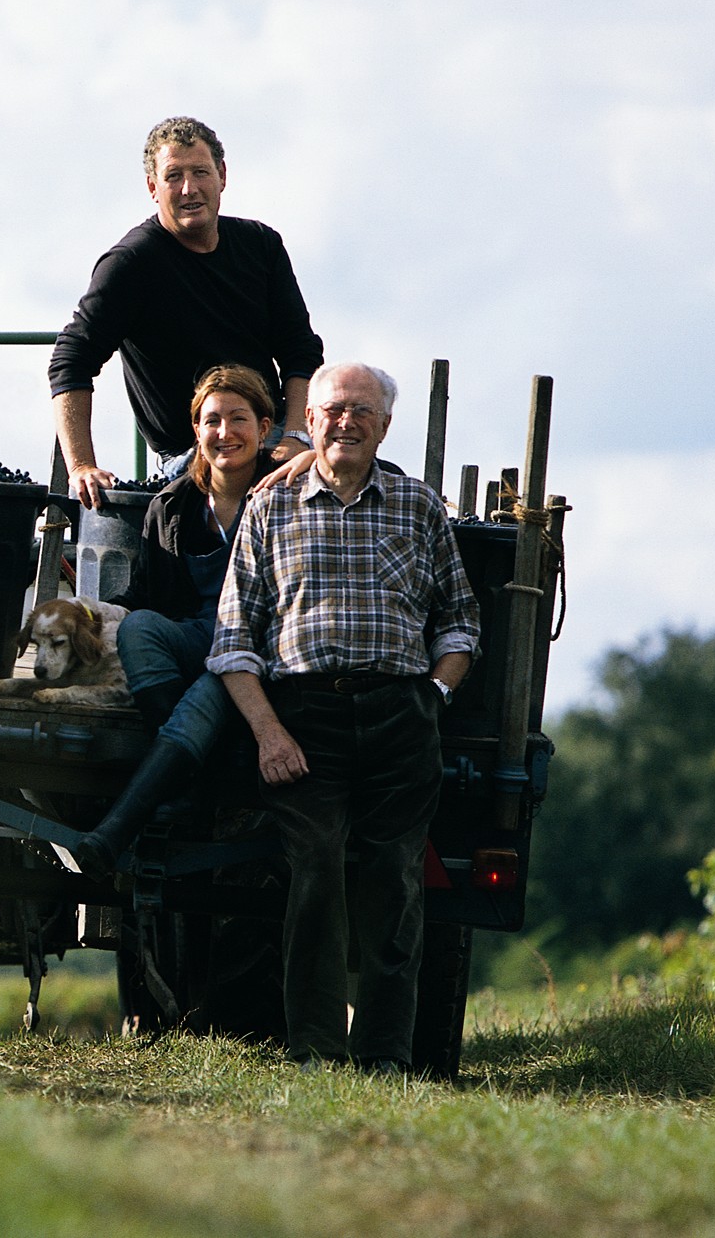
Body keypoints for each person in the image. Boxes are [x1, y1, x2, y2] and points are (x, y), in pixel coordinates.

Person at [207, 362, 480, 1071]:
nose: (345, 422)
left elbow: (460, 624)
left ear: (385, 425)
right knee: (316, 873)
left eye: (362, 410)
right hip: (303, 719)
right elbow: (234, 640)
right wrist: (269, 731)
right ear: (312, 418)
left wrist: (433, 697)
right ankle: (318, 1051)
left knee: (394, 879)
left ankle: (386, 1056)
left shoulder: (420, 507)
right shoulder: (271, 506)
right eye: (332, 409)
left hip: (401, 714)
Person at [48, 116, 325, 507]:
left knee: (362, 479)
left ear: (222, 175)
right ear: (153, 187)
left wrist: (297, 437)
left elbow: (301, 353)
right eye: (174, 176)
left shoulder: (261, 245)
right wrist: (81, 466)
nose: (189, 189)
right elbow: (70, 361)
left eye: (200, 172)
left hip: (272, 436)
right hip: (191, 456)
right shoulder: (131, 264)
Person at [74, 363, 276, 877]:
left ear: (265, 428)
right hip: (196, 638)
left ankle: (114, 832)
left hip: (262, 654)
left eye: (239, 418)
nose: (224, 432)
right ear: (196, 432)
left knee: (220, 681)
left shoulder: (289, 497)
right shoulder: (172, 505)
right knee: (140, 627)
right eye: (212, 421)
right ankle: (190, 785)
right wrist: (86, 615)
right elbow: (141, 594)